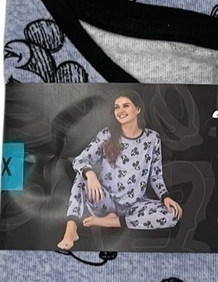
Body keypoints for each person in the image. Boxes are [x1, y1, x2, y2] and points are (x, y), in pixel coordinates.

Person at [58, 91, 182, 250]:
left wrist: (165, 197)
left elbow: (155, 176)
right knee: (82, 177)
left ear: (137, 109)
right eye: (116, 107)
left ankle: (114, 222)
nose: (120, 110)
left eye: (126, 106)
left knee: (172, 214)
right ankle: (71, 228)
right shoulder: (106, 135)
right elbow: (79, 160)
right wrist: (90, 174)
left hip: (135, 206)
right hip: (104, 201)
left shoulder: (152, 139)